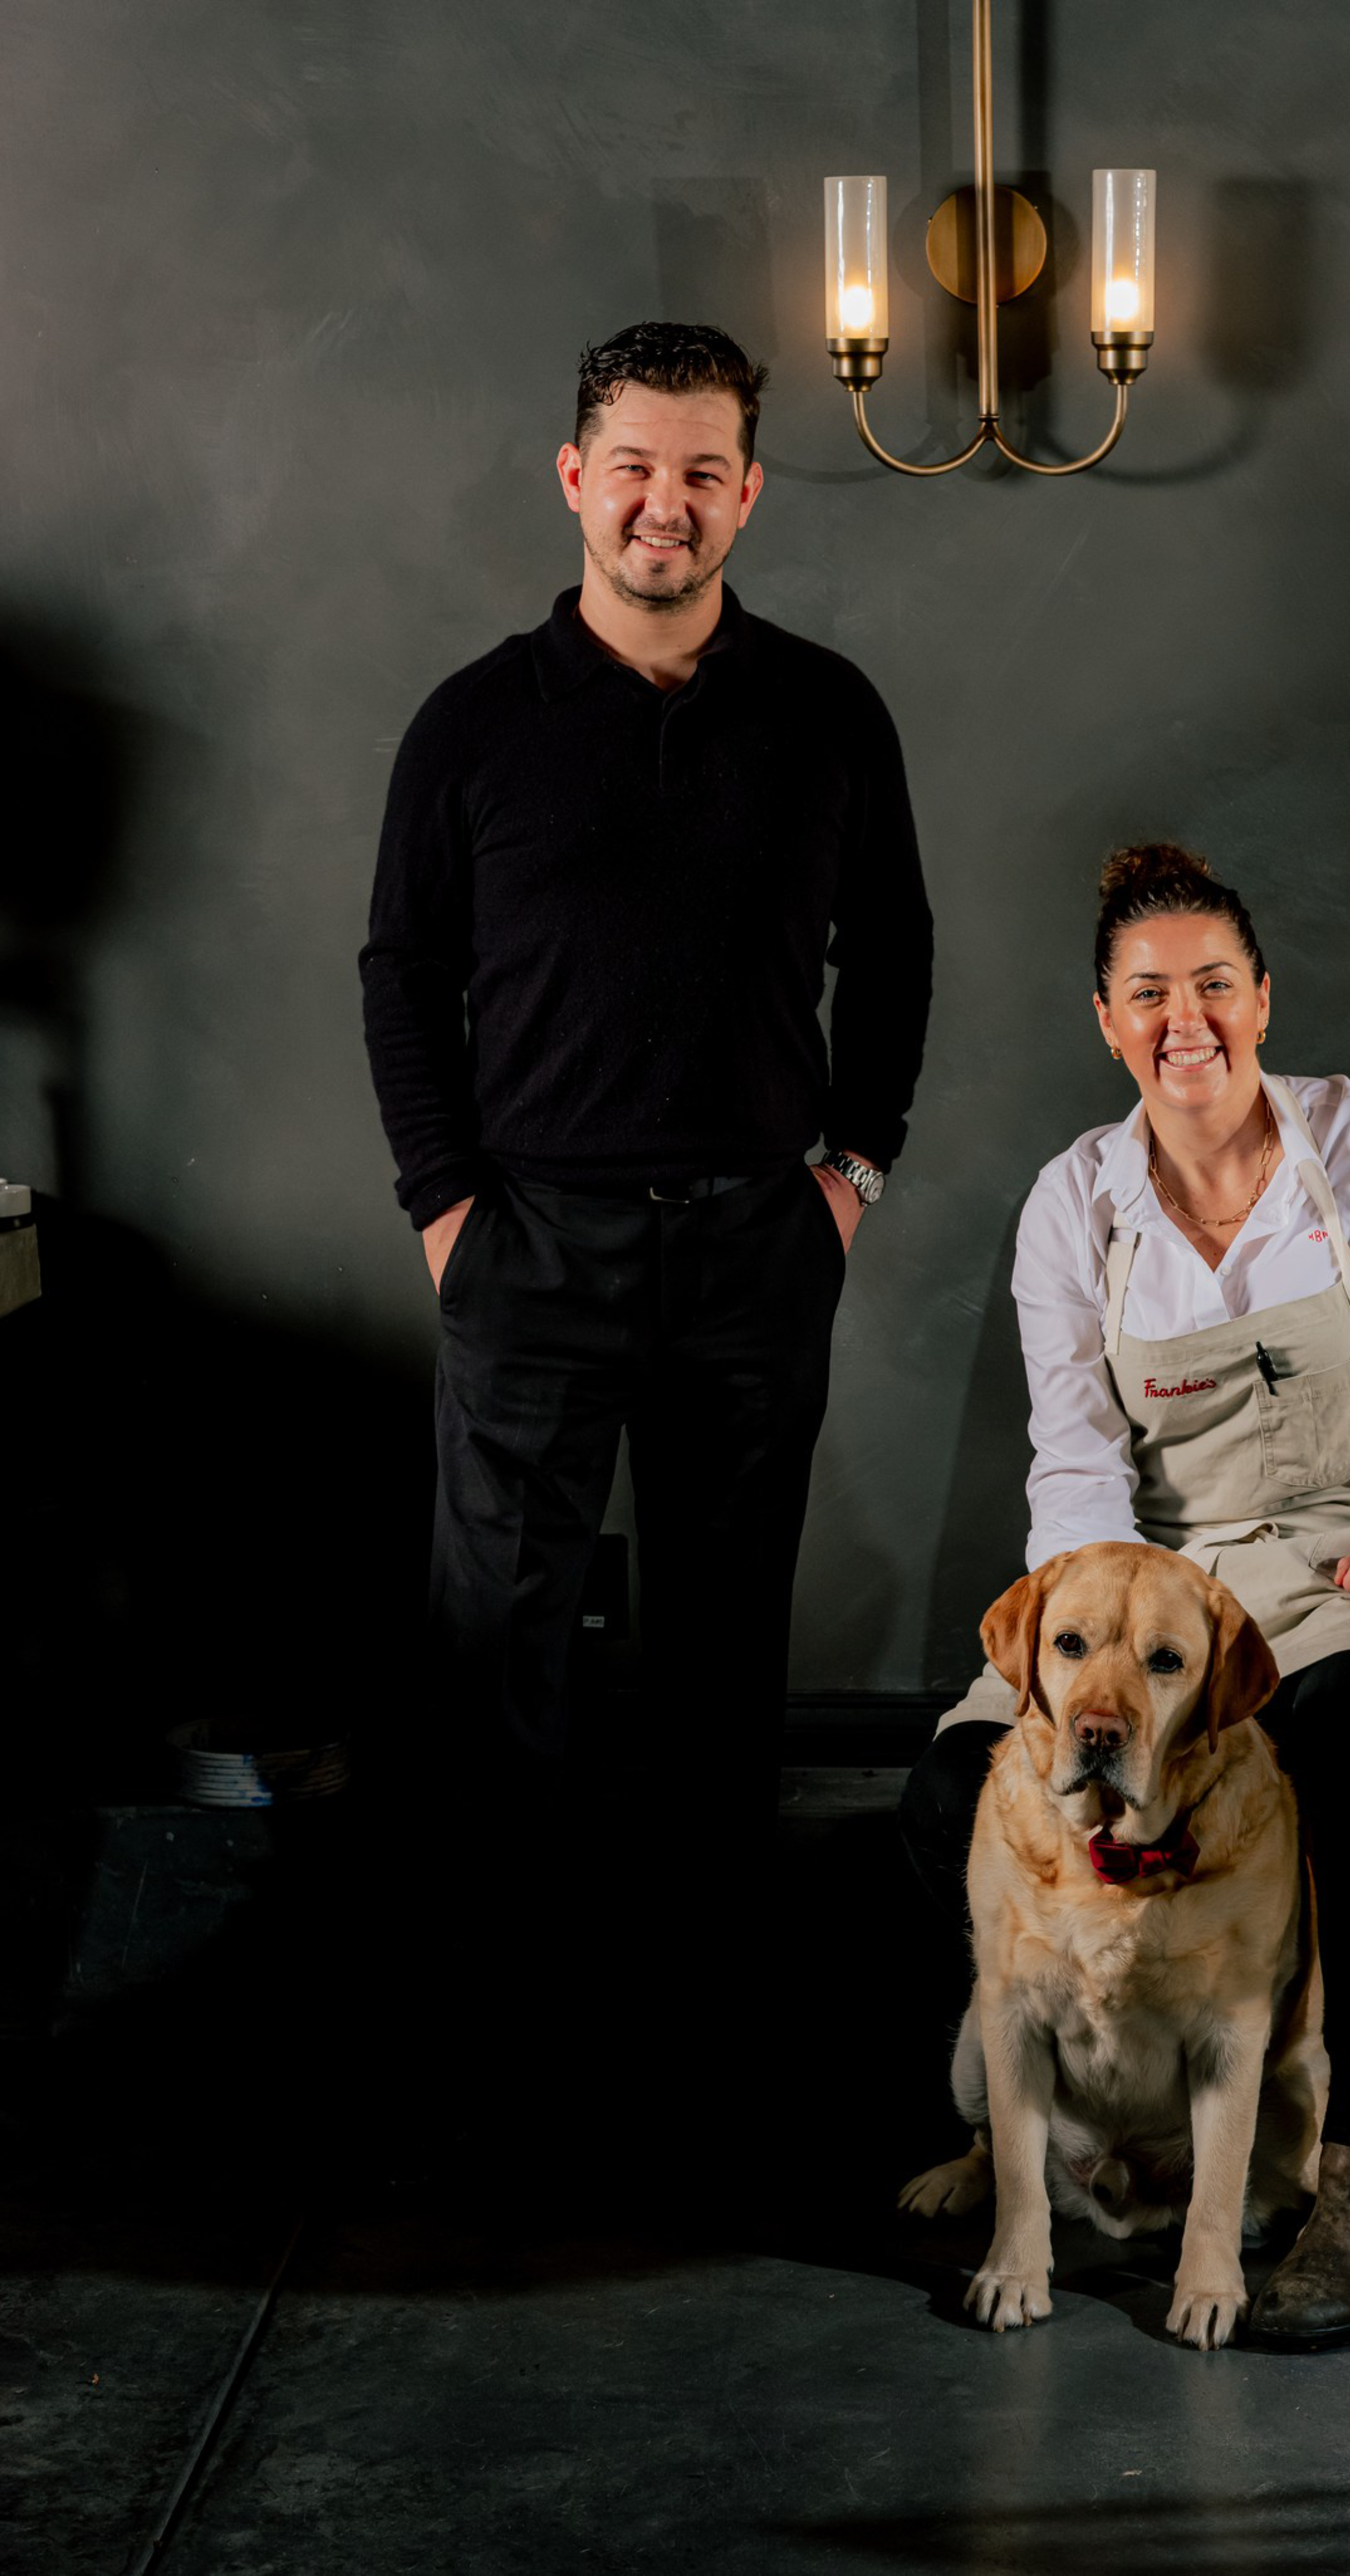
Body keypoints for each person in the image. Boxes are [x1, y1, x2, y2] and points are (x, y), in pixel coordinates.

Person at [898, 842, 1350, 2348]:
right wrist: (1094, 1679)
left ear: (1265, 998)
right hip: (1157, 1588)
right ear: (1106, 1020)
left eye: (1213, 984)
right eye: (1149, 994)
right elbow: (1075, 1479)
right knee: (951, 1787)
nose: (1183, 1018)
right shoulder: (1076, 1205)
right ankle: (1088, 2128)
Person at [360, 320, 932, 1843]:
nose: (661, 504)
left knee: (725, 1662)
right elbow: (402, 974)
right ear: (573, 479)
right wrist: (447, 1211)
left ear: (750, 493)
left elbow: (895, 953)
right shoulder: (473, 723)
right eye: (632, 468)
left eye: (700, 471)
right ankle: (494, 2031)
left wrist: (849, 1179)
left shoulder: (829, 714)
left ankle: (704, 2018)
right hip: (529, 1243)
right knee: (500, 1665)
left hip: (758, 1239)